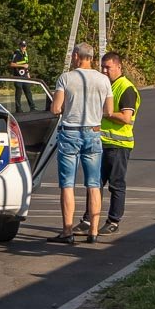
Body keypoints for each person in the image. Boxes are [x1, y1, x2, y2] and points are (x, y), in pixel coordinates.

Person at [48, 43, 114, 244]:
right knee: (94, 184)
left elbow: (55, 108)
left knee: (68, 184)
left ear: (77, 56)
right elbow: (109, 110)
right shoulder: (103, 80)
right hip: (93, 132)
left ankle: (67, 231)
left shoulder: (66, 78)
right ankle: (93, 231)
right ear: (92, 58)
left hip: (70, 133)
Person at [73, 52, 139, 235]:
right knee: (94, 184)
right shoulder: (105, 86)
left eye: (108, 67)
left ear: (119, 67)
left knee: (116, 184)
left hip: (119, 145)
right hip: (99, 142)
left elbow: (126, 118)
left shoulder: (126, 88)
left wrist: (106, 112)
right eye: (102, 66)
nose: (104, 70)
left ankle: (113, 220)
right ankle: (88, 220)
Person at [8, 40, 37, 112]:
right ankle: (18, 109)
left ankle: (32, 107)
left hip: (25, 76)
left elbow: (26, 65)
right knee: (19, 92)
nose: (23, 47)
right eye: (22, 46)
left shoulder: (25, 54)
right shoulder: (16, 53)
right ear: (19, 46)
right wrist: (22, 65)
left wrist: (28, 74)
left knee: (28, 91)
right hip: (18, 76)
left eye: (24, 46)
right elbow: (12, 64)